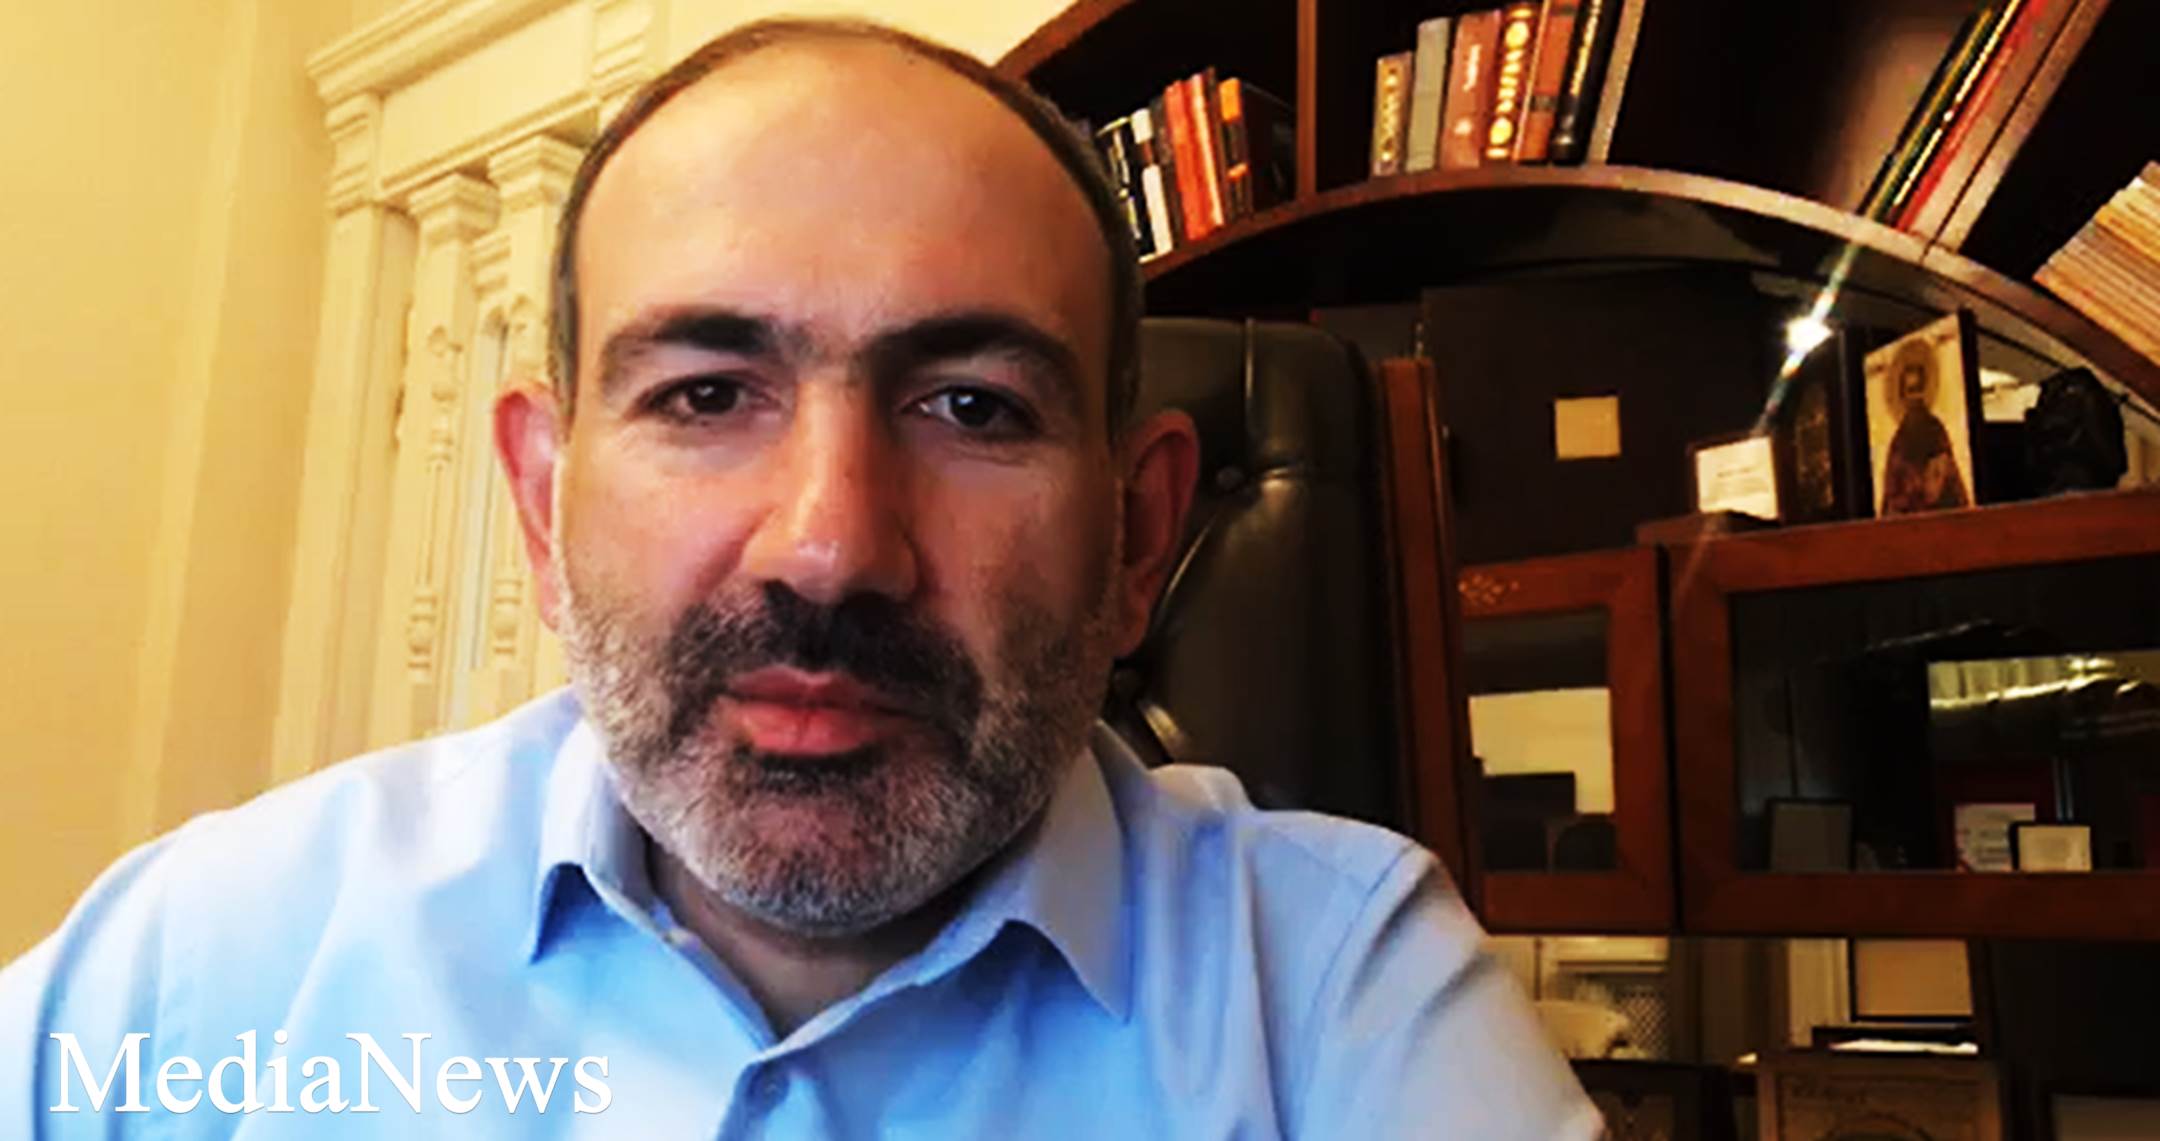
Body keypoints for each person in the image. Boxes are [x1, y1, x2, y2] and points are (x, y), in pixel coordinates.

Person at [0, 18, 1598, 1136]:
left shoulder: (1335, 996)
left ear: (1134, 538)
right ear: (544, 504)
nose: (829, 546)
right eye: (707, 394)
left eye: (971, 406)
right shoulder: (213, 959)